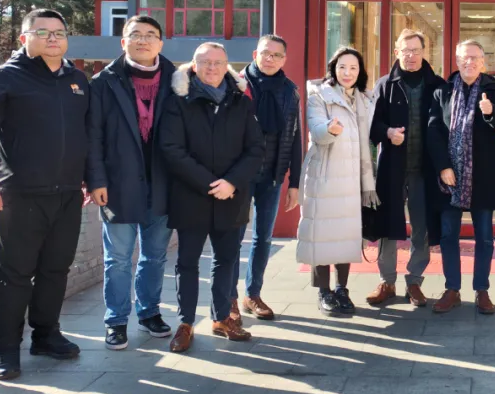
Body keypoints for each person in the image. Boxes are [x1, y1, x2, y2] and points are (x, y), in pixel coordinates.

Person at [0, 9, 90, 380]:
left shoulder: (77, 79)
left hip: (67, 193)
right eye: (42, 32)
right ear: (24, 38)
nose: (53, 38)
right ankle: (6, 349)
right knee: (15, 276)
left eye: (59, 32)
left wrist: (89, 179)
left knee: (55, 270)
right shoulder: (4, 78)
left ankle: (47, 335)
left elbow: (88, 136)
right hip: (19, 194)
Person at [160, 43, 263, 352]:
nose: (213, 68)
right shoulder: (178, 101)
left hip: (233, 196)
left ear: (227, 65)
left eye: (219, 63)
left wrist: (231, 182)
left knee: (226, 261)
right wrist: (210, 183)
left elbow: (256, 149)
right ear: (194, 66)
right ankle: (186, 323)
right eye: (206, 63)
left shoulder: (240, 101)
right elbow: (172, 150)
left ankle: (221, 317)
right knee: (188, 262)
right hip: (191, 195)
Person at [87, 15, 176, 350]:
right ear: (123, 42)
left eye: (150, 35)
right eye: (135, 35)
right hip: (118, 183)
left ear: (161, 43)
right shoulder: (104, 82)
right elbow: (92, 136)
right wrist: (95, 179)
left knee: (154, 256)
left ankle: (150, 312)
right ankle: (116, 320)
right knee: (119, 258)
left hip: (163, 183)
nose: (143, 40)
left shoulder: (178, 79)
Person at [428, 40, 495, 315]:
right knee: (448, 235)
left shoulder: (494, 90)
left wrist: (492, 114)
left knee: (486, 237)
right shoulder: (442, 92)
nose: (469, 62)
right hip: (450, 176)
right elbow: (434, 130)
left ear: (482, 62)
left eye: (475, 58)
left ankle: (482, 290)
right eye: (464, 58)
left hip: (484, 175)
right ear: (456, 60)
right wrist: (443, 166)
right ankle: (452, 288)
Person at [297, 46, 378, 316]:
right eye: (342, 67)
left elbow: (374, 131)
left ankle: (342, 289)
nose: (347, 72)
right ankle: (324, 291)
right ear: (333, 68)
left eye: (353, 68)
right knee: (322, 235)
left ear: (360, 72)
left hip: (353, 178)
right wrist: (329, 130)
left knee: (346, 234)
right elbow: (317, 130)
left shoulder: (364, 100)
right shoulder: (319, 95)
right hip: (325, 177)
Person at [367, 29, 445, 307]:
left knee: (421, 228)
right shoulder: (385, 85)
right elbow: (371, 125)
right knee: (388, 225)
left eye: (416, 50)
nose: (411, 56)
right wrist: (387, 132)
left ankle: (414, 281)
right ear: (396, 52)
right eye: (405, 50)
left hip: (424, 171)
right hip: (392, 169)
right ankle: (387, 281)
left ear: (425, 52)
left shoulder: (437, 85)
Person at [230, 34, 303, 322]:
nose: (270, 59)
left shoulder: (290, 91)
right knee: (233, 237)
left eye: (276, 55)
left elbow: (296, 138)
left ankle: (253, 293)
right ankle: (230, 297)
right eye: (265, 53)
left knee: (263, 237)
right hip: (239, 174)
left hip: (273, 173)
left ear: (285, 59)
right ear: (254, 54)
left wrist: (294, 183)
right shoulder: (236, 85)